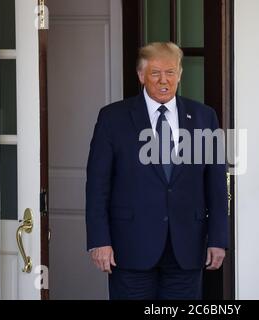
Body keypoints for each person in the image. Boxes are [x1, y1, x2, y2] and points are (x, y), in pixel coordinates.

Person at [86, 42, 227, 300]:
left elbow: (216, 185)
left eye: (171, 72)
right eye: (155, 73)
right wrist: (99, 240)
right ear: (141, 76)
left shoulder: (204, 117)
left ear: (180, 74)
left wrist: (218, 239)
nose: (164, 80)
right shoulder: (113, 118)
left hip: (186, 248)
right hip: (130, 246)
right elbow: (97, 186)